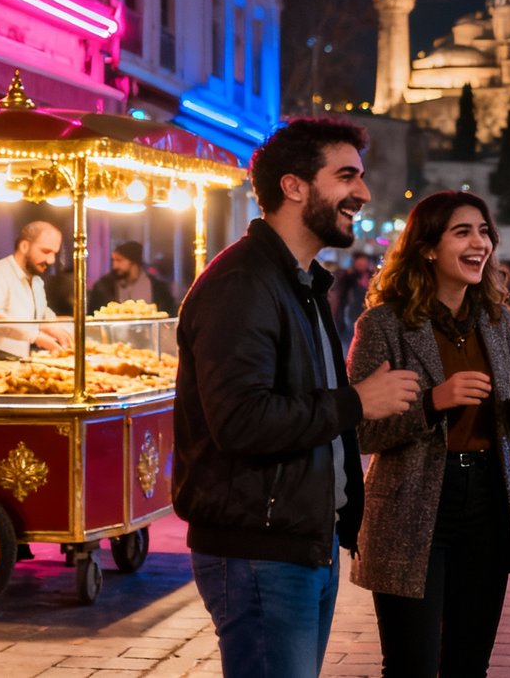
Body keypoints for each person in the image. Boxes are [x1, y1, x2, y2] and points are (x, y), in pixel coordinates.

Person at [172, 118, 421, 678]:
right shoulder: (244, 284)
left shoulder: (297, 282)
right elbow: (241, 421)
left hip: (301, 540)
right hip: (259, 550)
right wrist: (357, 402)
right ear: (295, 186)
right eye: (346, 176)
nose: (362, 192)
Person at [348, 191, 510, 677]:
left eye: (484, 232)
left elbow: (506, 427)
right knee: (411, 664)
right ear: (427, 249)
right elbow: (359, 431)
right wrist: (431, 401)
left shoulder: (496, 321)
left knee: (469, 661)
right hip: (413, 504)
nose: (479, 242)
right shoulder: (384, 324)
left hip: (487, 500)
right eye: (463, 232)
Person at [0, 221, 73, 359]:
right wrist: (34, 335)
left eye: (54, 253)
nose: (51, 260)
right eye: (46, 251)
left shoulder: (37, 281)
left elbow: (39, 312)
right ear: (24, 246)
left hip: (18, 360)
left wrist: (54, 325)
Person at [88, 240, 177, 315]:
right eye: (113, 260)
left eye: (119, 260)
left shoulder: (158, 288)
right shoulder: (103, 287)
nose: (115, 266)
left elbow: (168, 315)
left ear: (133, 261)